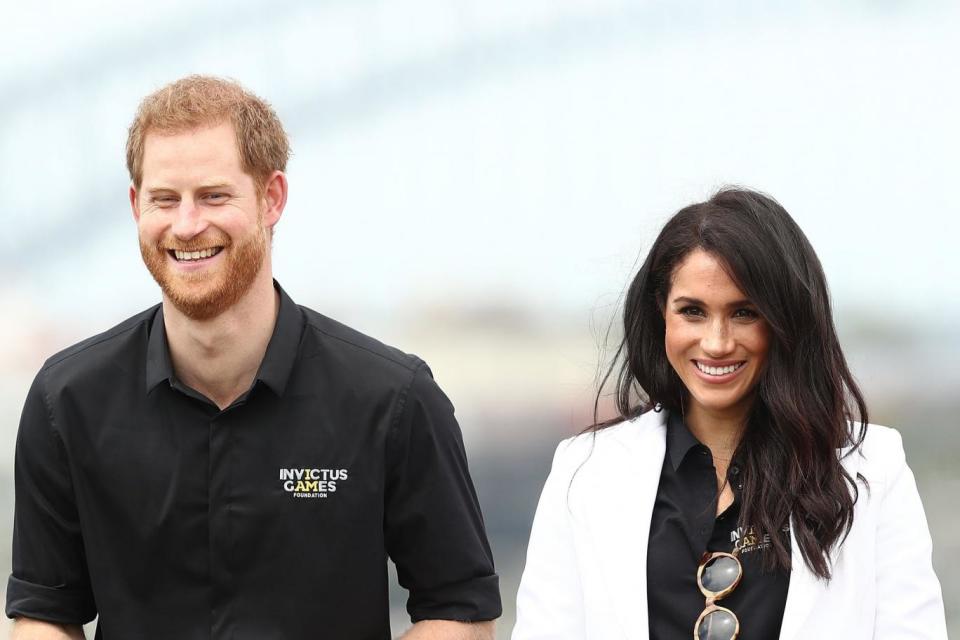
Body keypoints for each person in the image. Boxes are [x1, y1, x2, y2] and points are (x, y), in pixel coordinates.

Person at [6, 75, 500, 640]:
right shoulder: (64, 402)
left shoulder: (395, 400)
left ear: (272, 198)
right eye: (165, 199)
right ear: (136, 204)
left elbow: (461, 611)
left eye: (214, 196)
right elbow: (44, 615)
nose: (188, 225)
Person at [512, 188, 946, 639]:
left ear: (785, 321)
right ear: (662, 314)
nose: (717, 342)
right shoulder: (585, 470)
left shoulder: (873, 468)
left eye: (744, 313)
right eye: (692, 312)